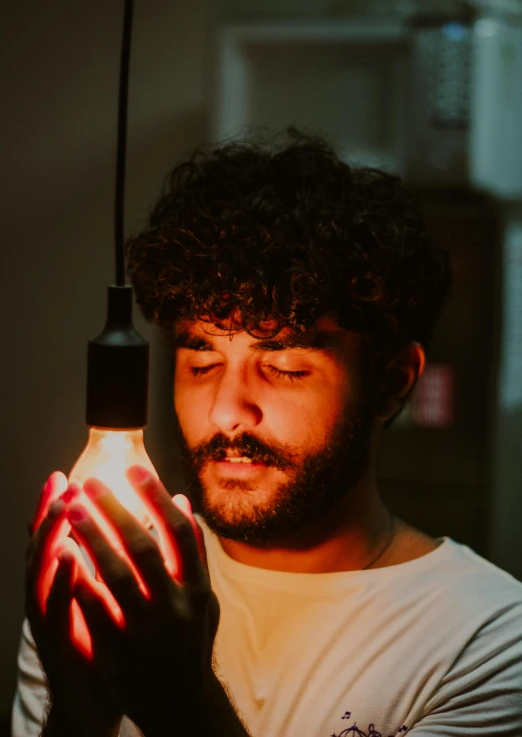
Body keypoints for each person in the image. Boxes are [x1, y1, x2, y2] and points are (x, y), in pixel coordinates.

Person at [14, 133, 522, 737]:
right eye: (200, 362)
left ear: (391, 382)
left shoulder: (488, 642)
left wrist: (180, 705)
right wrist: (79, 716)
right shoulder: (114, 588)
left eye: (282, 367)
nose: (228, 411)